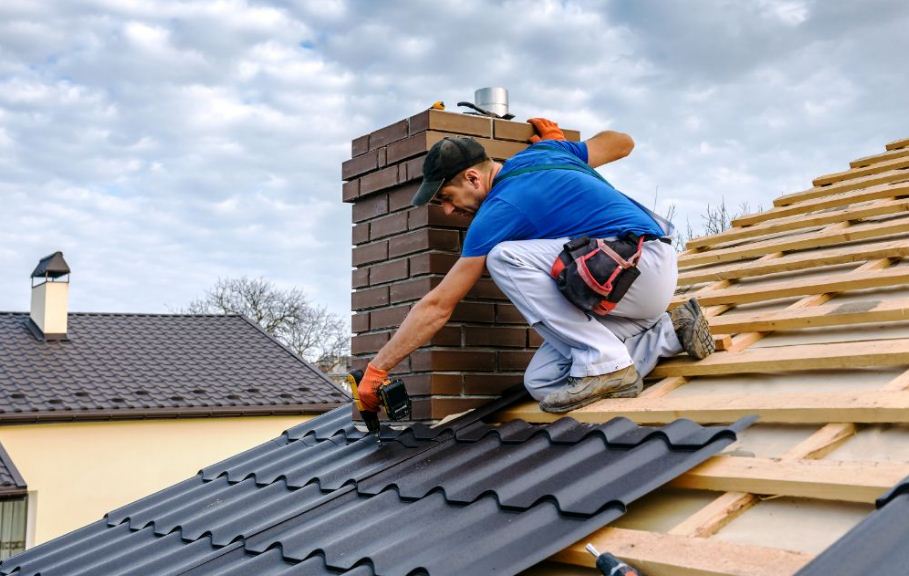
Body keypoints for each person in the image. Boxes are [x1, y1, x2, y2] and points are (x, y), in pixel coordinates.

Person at [356, 118, 714, 414]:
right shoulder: (548, 151)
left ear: (472, 178)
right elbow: (623, 141)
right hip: (629, 290)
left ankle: (607, 362)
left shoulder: (499, 210)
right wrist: (567, 151)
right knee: (543, 382)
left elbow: (438, 306)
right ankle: (671, 333)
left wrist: (379, 368)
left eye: (446, 198)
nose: (448, 211)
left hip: (638, 265)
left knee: (504, 257)